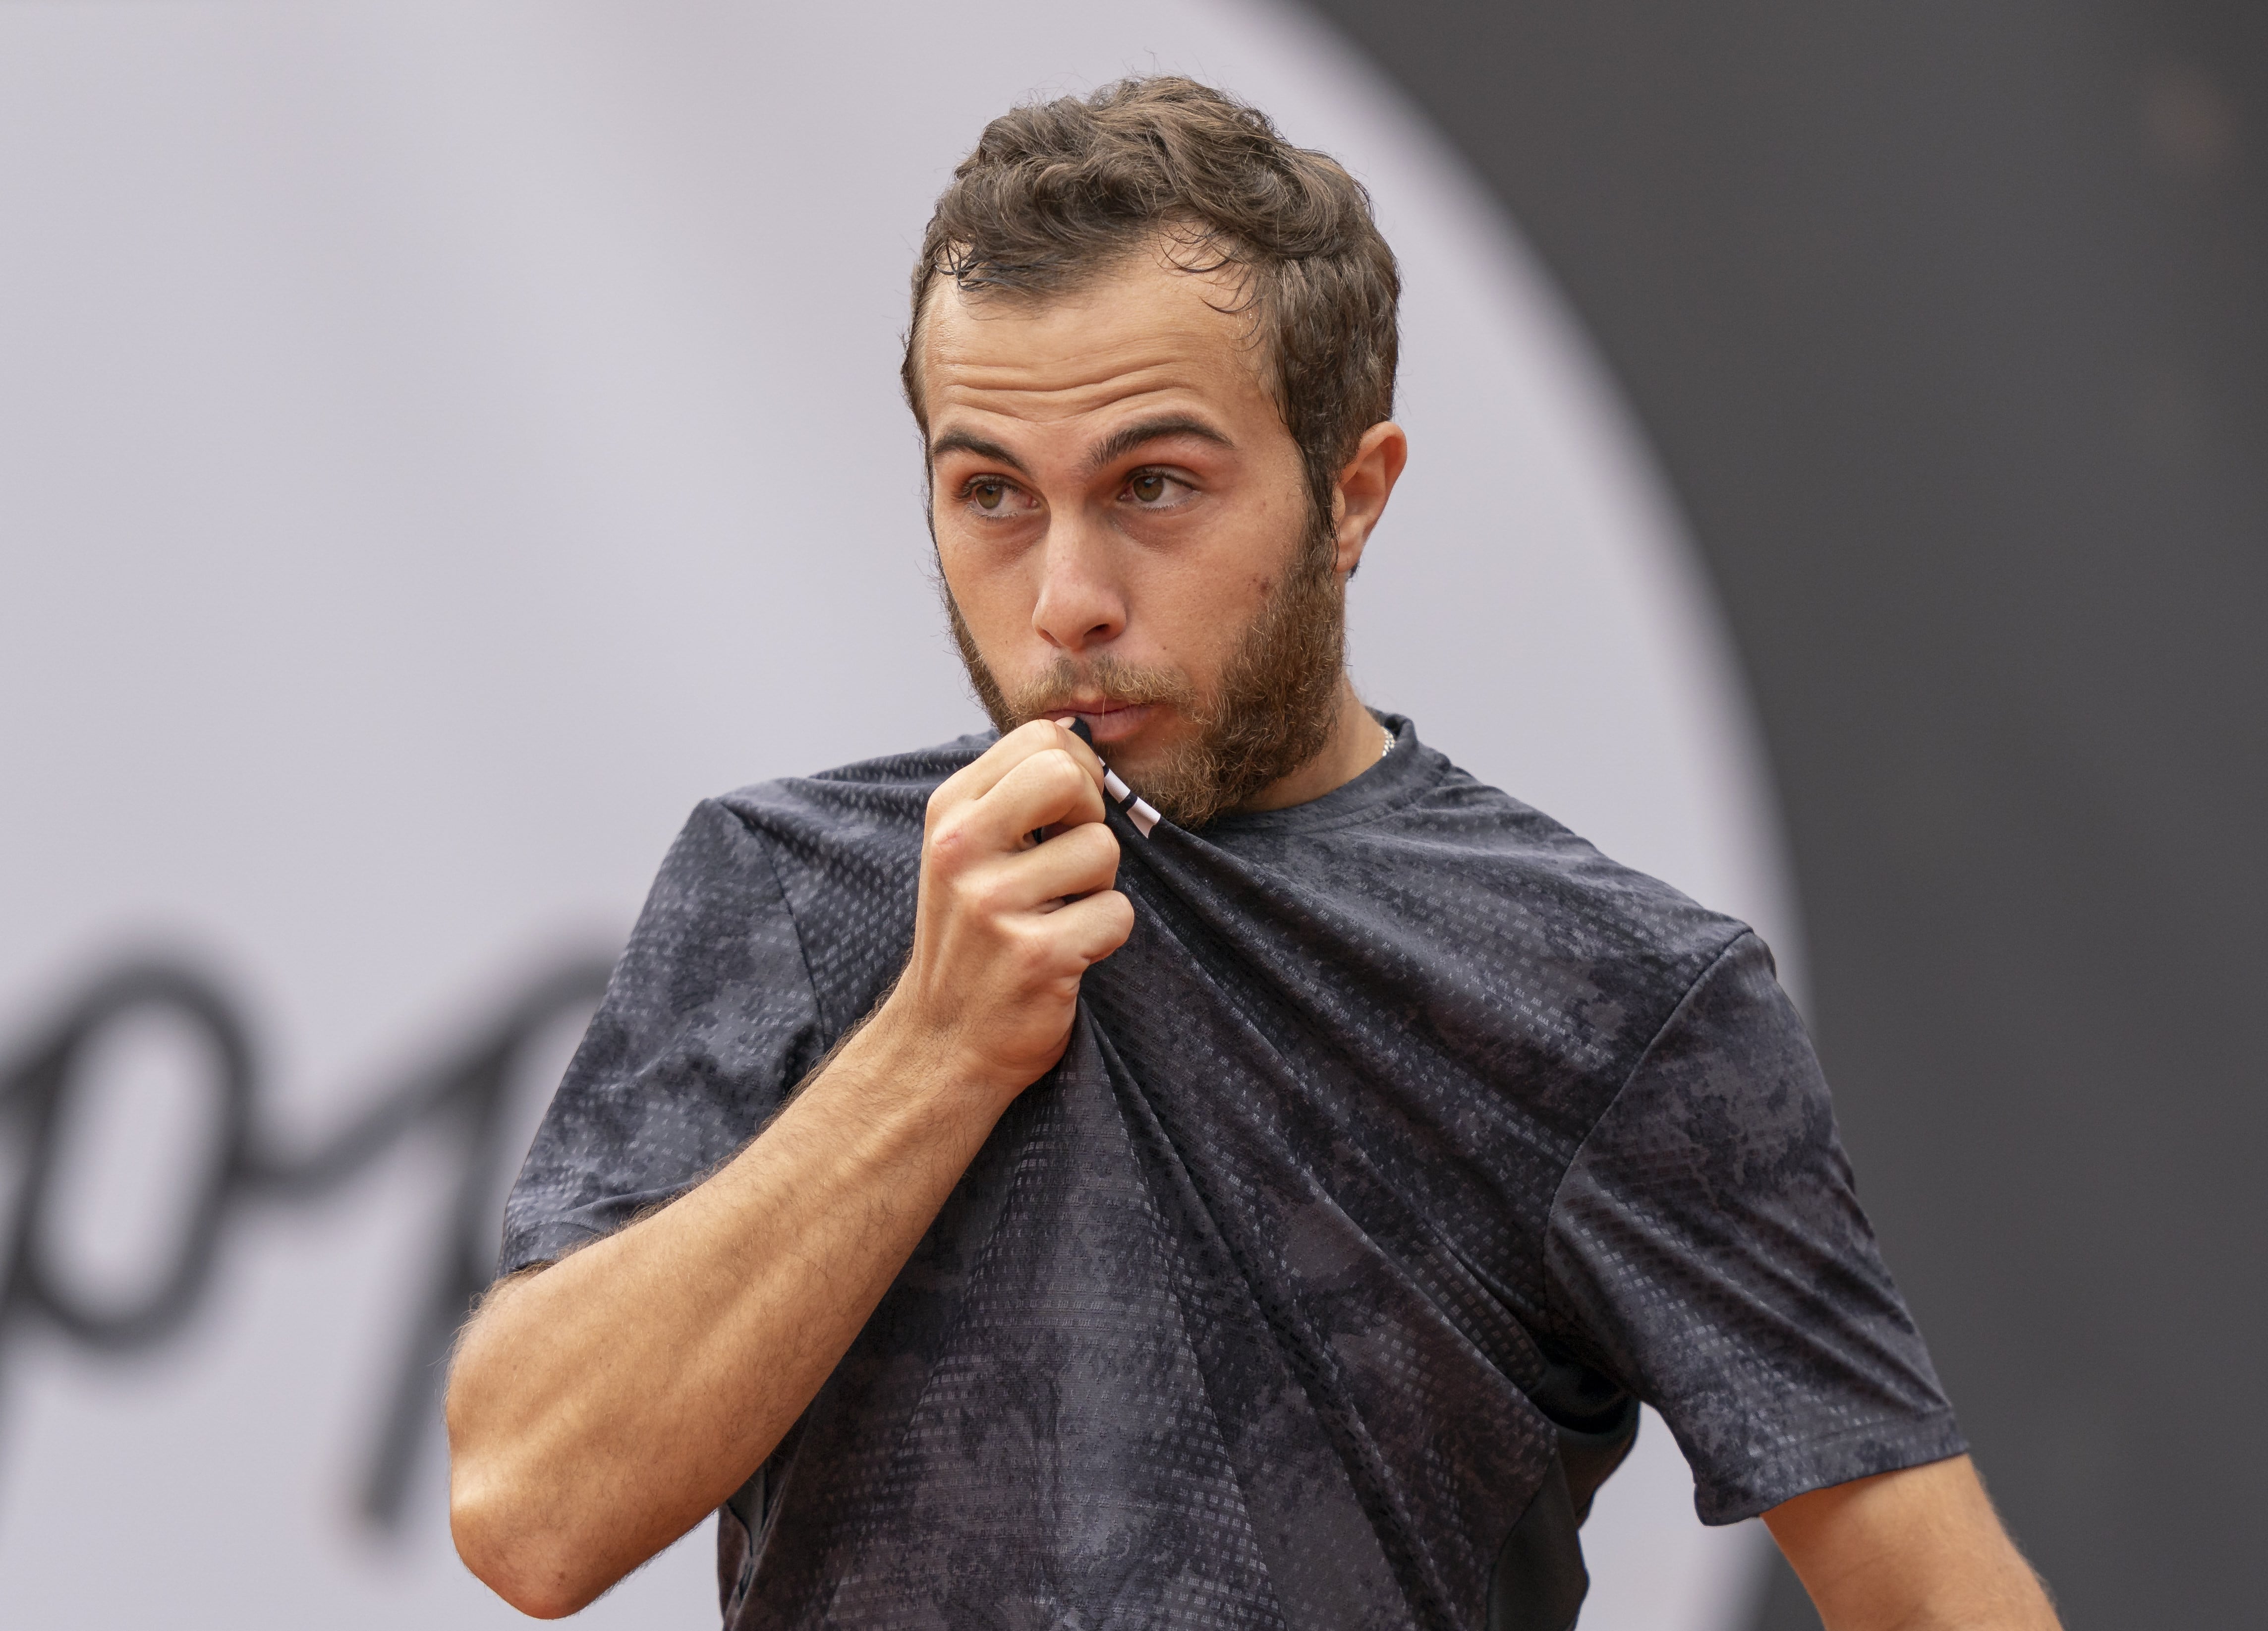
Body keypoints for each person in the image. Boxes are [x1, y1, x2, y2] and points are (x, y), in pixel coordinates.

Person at [444, 76, 2059, 1631]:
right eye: (992, 492)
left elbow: (1939, 1599)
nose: (1066, 596)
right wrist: (934, 1049)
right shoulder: (785, 885)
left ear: (1351, 496)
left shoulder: (1617, 995)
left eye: (1153, 486)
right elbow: (527, 1513)